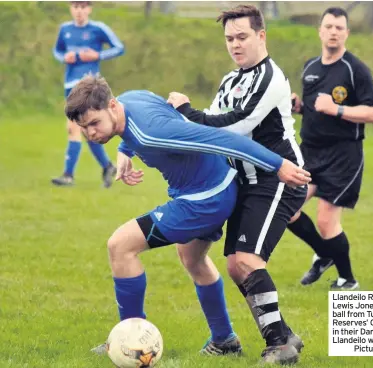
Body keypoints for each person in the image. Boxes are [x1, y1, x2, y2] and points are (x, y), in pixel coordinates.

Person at [64, 75, 311, 357]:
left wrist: (277, 164)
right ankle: (225, 340)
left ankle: (129, 341)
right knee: (192, 258)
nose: (91, 134)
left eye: (95, 124)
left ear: (111, 105)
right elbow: (153, 113)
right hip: (211, 187)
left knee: (120, 246)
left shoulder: (152, 132)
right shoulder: (132, 98)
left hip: (204, 199)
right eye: (84, 128)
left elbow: (221, 139)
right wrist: (124, 150)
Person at [167, 5, 307, 365]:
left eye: (242, 36)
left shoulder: (270, 77)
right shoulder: (231, 80)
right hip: (242, 180)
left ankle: (279, 345)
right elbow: (211, 123)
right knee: (234, 264)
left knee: (245, 260)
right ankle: (284, 336)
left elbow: (236, 126)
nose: (234, 44)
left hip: (277, 177)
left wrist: (186, 112)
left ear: (262, 36)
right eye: (229, 38)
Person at [288, 7, 373, 290]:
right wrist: (300, 108)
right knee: (286, 207)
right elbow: (316, 110)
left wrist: (337, 109)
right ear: (320, 31)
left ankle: (347, 280)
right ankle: (324, 253)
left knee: (327, 221)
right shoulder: (310, 67)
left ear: (346, 34)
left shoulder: (355, 70)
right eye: (328, 26)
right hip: (310, 152)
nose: (333, 32)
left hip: (343, 156)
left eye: (339, 28)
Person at [52, 1, 124, 187]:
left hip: (88, 87)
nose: (79, 11)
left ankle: (68, 175)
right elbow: (57, 50)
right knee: (86, 130)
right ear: (71, 8)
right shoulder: (65, 29)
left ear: (89, 9)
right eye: (76, 7)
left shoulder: (98, 28)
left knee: (73, 128)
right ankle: (107, 166)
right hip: (70, 85)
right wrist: (63, 58)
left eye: (83, 7)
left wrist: (98, 55)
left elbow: (119, 47)